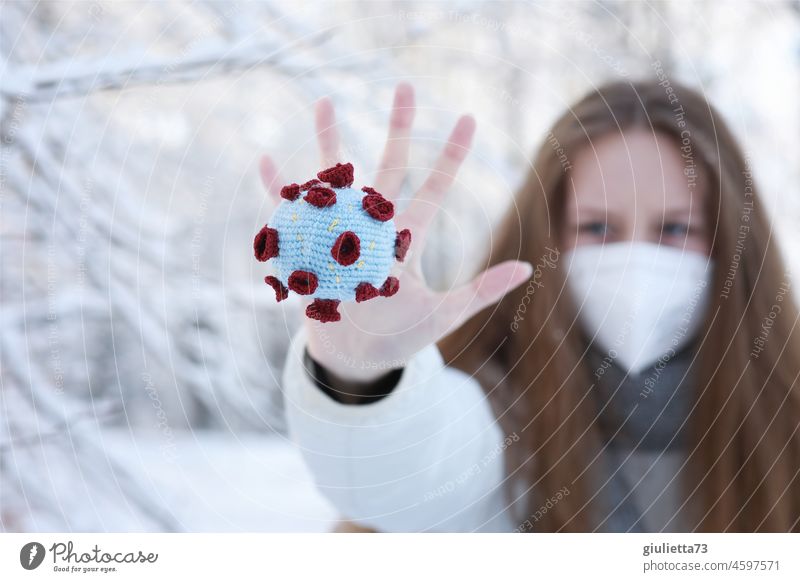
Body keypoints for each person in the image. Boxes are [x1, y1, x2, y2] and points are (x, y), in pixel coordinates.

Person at [259, 80, 800, 532]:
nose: (636, 259)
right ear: (544, 237)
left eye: (675, 229)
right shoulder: (495, 402)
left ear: (734, 243)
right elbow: (418, 473)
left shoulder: (787, 415)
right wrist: (365, 377)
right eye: (596, 228)